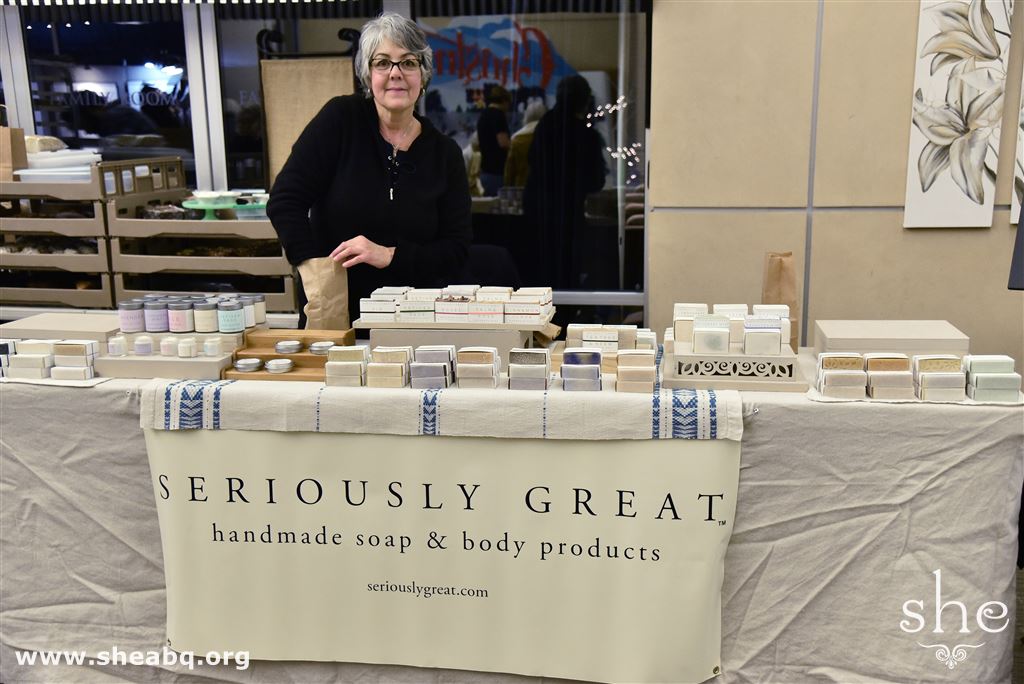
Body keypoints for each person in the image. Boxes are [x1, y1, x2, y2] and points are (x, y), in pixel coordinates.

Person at [267, 12, 471, 319]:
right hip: (339, 315)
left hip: (417, 320)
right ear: (368, 74)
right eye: (382, 62)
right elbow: (285, 201)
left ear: (423, 75)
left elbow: (457, 249)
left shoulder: (445, 154)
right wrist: (316, 271)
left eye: (408, 62)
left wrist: (389, 255)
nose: (395, 73)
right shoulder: (340, 121)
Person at [523, 75, 606, 289]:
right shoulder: (586, 135)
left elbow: (532, 160)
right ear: (584, 101)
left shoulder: (544, 126)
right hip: (569, 212)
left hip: (539, 209)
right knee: (567, 272)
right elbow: (596, 180)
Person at [475, 85, 511, 196]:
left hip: (485, 171)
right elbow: (503, 143)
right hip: (497, 172)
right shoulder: (499, 115)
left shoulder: (483, 115)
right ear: (504, 101)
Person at [503, 99, 546, 187]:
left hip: (522, 187)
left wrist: (508, 186)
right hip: (547, 187)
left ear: (526, 116)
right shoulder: (552, 135)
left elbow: (510, 170)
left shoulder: (517, 139)